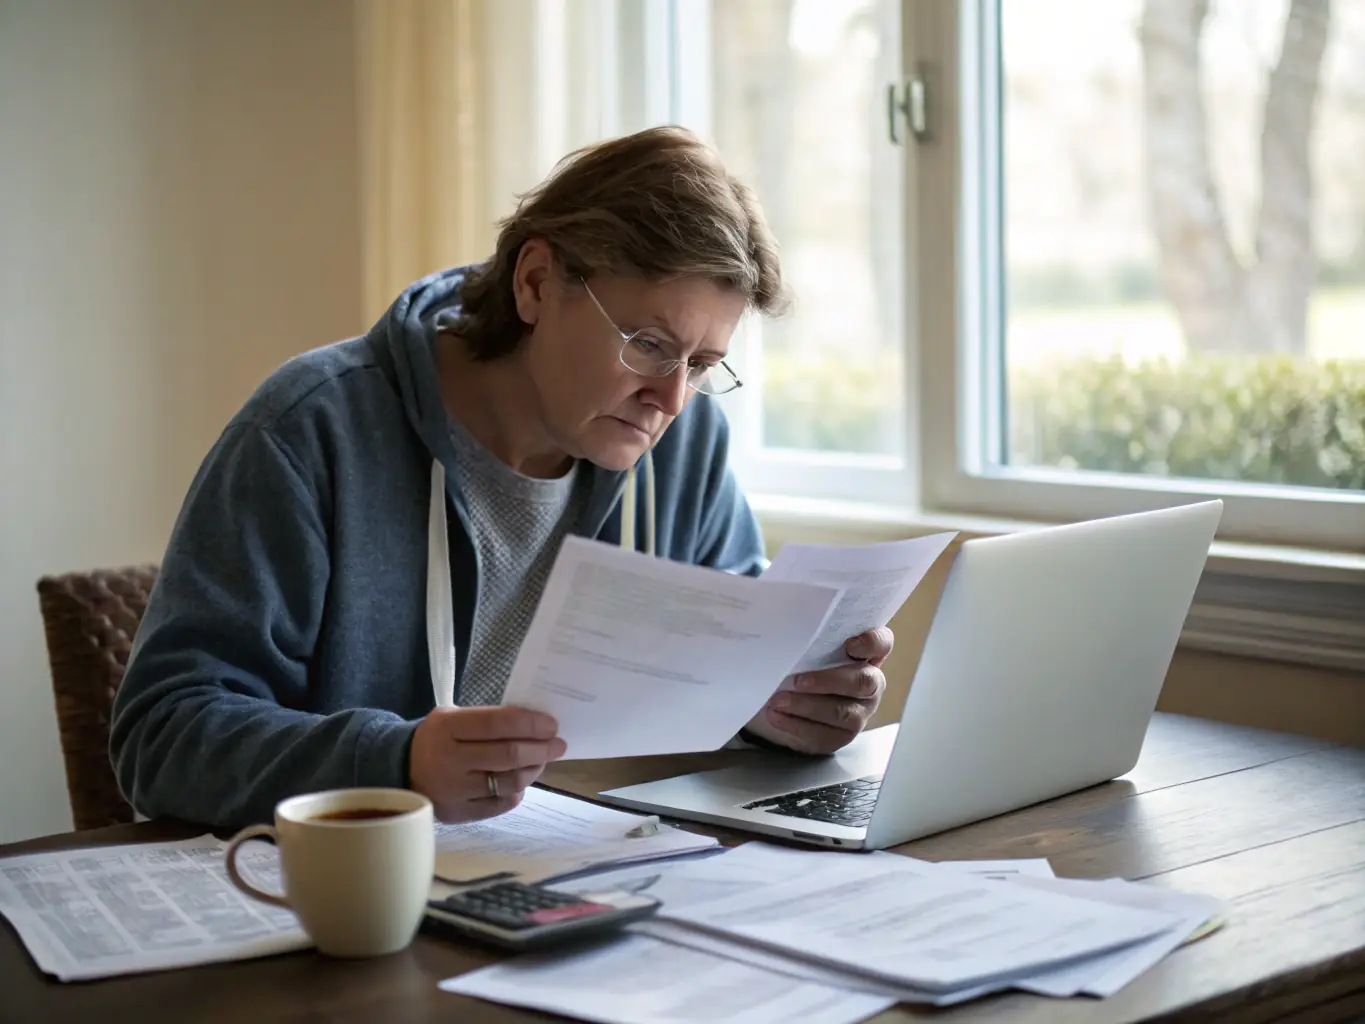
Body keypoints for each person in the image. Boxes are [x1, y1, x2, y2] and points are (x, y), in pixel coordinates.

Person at [110, 126, 893, 830]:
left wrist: (781, 708)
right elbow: (161, 738)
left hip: (589, 882)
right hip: (343, 908)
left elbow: (723, 663)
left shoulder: (682, 444)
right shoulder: (310, 431)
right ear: (535, 283)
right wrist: (397, 762)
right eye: (649, 343)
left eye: (703, 364)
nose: (671, 398)